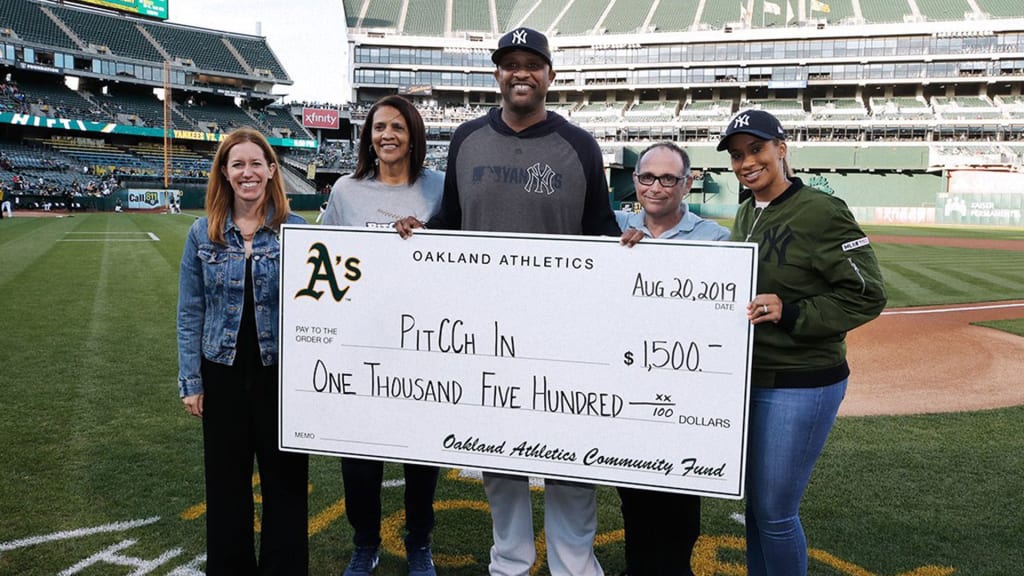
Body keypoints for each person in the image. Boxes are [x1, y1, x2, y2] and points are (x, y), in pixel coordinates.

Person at [397, 27, 620, 576]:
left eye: (532, 64)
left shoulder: (581, 146)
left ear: (549, 74)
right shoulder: (469, 139)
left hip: (563, 334)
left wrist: (629, 249)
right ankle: (510, 566)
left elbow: (601, 233)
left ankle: (574, 566)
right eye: (510, 63)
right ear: (497, 73)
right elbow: (450, 222)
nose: (521, 72)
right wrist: (417, 234)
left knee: (571, 460)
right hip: (486, 335)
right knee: (501, 461)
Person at [717, 109, 886, 576]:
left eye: (756, 149)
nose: (746, 162)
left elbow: (868, 294)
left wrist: (791, 311)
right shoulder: (748, 210)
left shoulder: (821, 209)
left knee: (774, 513)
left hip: (802, 381)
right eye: (736, 155)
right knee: (755, 510)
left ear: (781, 148)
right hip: (752, 378)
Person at [176, 127, 309, 575]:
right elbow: (190, 312)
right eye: (238, 164)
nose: (247, 172)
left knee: (286, 483)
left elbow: (319, 310)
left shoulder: (296, 231)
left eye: (256, 163)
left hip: (280, 376)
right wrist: (191, 382)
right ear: (225, 173)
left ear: (272, 170)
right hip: (223, 373)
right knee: (227, 486)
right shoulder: (202, 233)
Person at [322, 94, 444, 576]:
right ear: (367, 137)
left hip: (424, 344)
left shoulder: (439, 186)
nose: (386, 135)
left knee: (420, 456)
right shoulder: (345, 191)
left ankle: (419, 543)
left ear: (414, 133)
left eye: (396, 126)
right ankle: (365, 542)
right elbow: (323, 258)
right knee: (359, 461)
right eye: (377, 128)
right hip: (361, 341)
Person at [615, 142, 729, 576]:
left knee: (680, 497)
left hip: (685, 389)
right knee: (633, 494)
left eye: (668, 179)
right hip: (628, 382)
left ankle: (677, 569)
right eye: (647, 177)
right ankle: (637, 568)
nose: (656, 187)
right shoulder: (612, 229)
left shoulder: (714, 238)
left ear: (686, 183)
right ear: (636, 180)